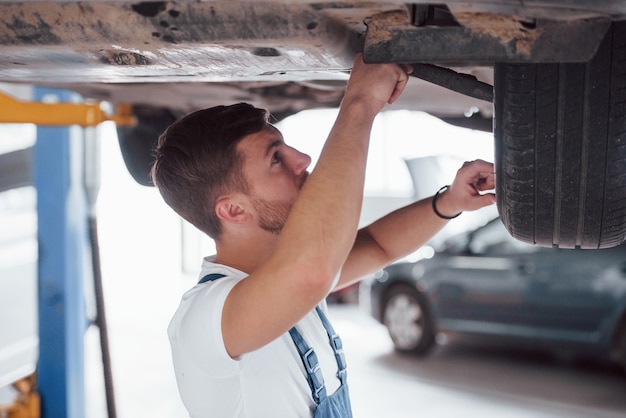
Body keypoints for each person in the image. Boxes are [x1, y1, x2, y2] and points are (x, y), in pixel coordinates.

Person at [151, 53, 496, 418]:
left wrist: (449, 201)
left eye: (285, 147)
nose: (302, 159)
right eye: (275, 159)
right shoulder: (205, 316)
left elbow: (377, 246)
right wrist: (360, 102)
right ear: (234, 210)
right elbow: (311, 271)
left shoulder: (286, 283)